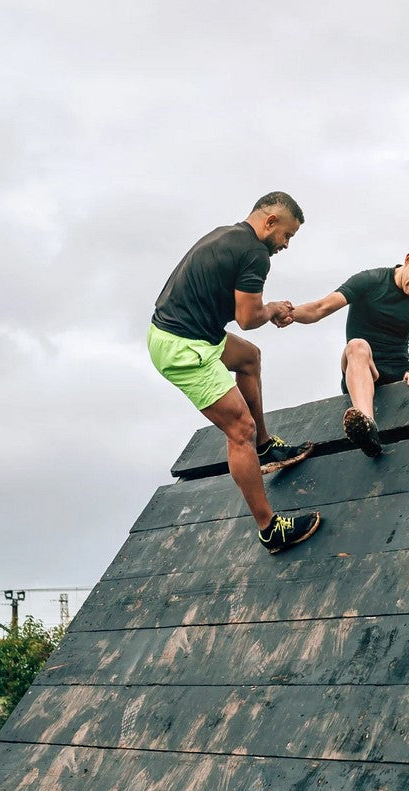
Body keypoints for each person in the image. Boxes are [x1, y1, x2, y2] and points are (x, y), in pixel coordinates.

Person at [147, 192, 322, 553]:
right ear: (270, 222)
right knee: (238, 428)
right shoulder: (255, 254)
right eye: (287, 236)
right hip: (182, 347)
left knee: (249, 359)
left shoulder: (226, 234)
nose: (286, 245)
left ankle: (264, 446)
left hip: (190, 333)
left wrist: (266, 307)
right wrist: (272, 308)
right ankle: (270, 529)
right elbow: (247, 318)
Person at [279, 240, 409, 457]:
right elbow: (320, 308)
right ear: (408, 259)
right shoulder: (371, 281)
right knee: (357, 345)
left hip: (401, 372)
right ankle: (367, 426)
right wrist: (289, 313)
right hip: (364, 370)